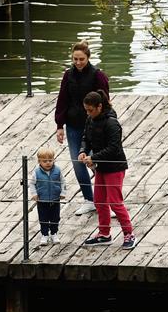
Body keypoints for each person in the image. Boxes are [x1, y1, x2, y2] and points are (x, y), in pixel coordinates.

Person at [54, 41, 110, 216]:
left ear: (88, 58)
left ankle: (107, 200)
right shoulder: (68, 75)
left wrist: (104, 122)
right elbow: (62, 99)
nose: (78, 62)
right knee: (78, 162)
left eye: (81, 59)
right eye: (75, 59)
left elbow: (105, 101)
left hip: (94, 125)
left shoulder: (98, 75)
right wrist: (59, 125)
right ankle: (89, 199)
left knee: (96, 162)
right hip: (73, 125)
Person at [78, 91, 135, 249]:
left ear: (99, 106)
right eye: (86, 110)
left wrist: (94, 158)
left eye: (90, 110)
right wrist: (83, 151)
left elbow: (114, 148)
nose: (88, 113)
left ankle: (129, 233)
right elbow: (85, 138)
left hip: (115, 167)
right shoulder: (90, 119)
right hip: (101, 167)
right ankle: (104, 234)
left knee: (115, 202)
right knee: (99, 201)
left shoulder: (112, 123)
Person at [28, 146, 67, 246]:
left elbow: (63, 181)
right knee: (43, 218)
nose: (48, 163)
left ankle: (54, 233)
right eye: (44, 161)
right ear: (39, 161)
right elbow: (32, 184)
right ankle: (44, 234)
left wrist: (63, 192)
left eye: (50, 160)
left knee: (55, 217)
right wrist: (34, 194)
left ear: (54, 160)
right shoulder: (36, 172)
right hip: (42, 200)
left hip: (55, 199)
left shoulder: (57, 170)